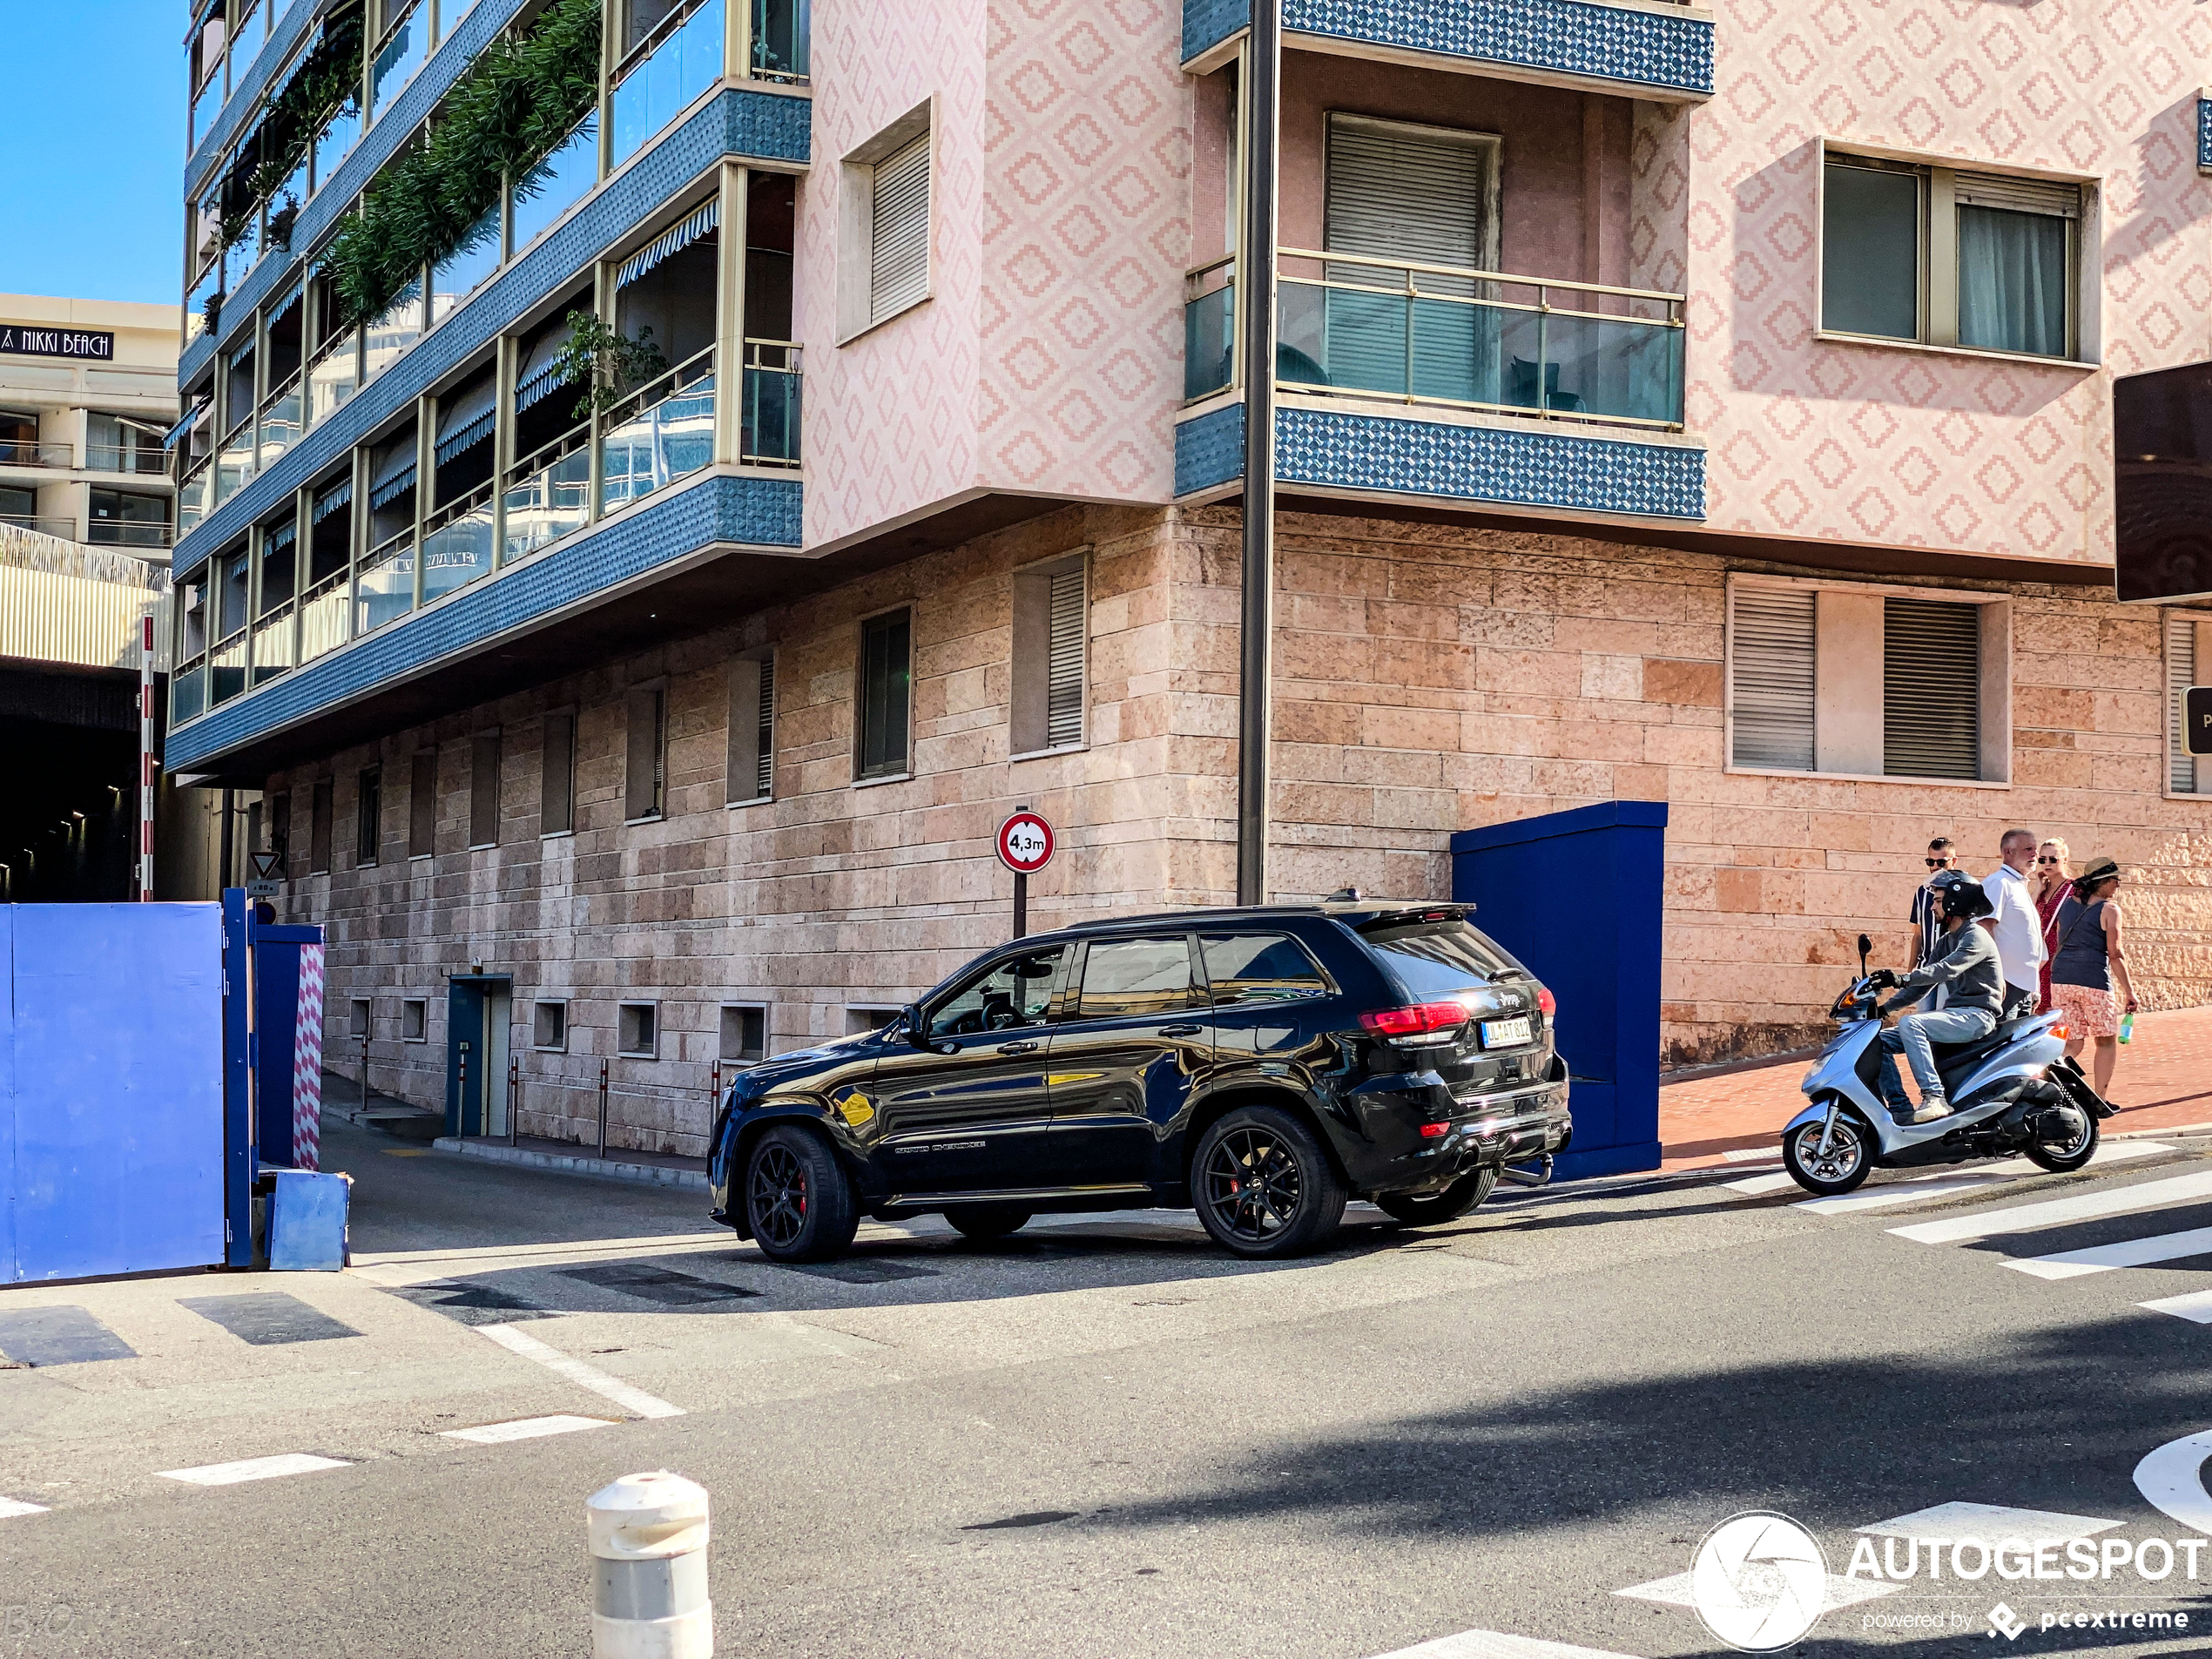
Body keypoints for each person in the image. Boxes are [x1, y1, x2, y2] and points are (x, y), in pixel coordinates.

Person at [1870, 871, 2005, 1123]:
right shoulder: (1947, 940)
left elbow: (1946, 969)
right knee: (1874, 1041)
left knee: (1912, 1023)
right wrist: (1884, 1009)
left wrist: (1902, 977)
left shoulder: (1975, 936)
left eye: (1938, 900)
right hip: (1956, 1015)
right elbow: (1922, 987)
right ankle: (1899, 1107)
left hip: (1977, 1016)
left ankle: (1934, 1097)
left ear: (1957, 902)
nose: (1932, 906)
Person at [2049, 857, 2139, 1099]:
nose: (2117, 886)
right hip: (2094, 982)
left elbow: (2059, 940)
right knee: (2106, 1042)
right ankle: (2101, 1097)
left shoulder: (2067, 905)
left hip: (2062, 980)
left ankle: (2051, 1085)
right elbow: (2116, 954)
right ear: (2103, 882)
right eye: (2115, 881)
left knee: (2071, 1043)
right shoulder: (2110, 910)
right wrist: (2129, 992)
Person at [1980, 827, 2047, 1015]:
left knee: (2018, 1041)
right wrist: (1995, 975)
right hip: (2006, 984)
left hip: (2023, 986)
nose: (2035, 854)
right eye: (2028, 849)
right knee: (2001, 1040)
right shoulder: (1999, 883)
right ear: (2008, 852)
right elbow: (1984, 928)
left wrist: (2034, 985)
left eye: (2035, 849)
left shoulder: (2018, 885)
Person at [2032, 838, 2072, 1012]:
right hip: (2040, 957)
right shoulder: (2042, 890)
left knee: (2058, 1012)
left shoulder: (2074, 888)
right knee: (2037, 1008)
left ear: (2065, 859)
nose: (2047, 863)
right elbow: (2028, 916)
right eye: (2043, 859)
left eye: (2053, 859)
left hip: (2060, 956)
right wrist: (2037, 889)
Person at [1908, 837, 1959, 969]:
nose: (1935, 867)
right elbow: (1918, 935)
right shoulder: (1922, 892)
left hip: (1952, 971)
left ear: (1954, 861)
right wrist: (1909, 973)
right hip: (1926, 969)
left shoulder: (1963, 891)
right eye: (1931, 862)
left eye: (1941, 862)